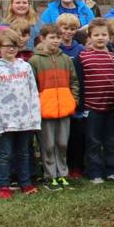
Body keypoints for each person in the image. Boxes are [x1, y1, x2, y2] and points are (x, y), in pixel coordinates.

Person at [0, 29, 41, 199]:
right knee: (5, 154)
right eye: (7, 46)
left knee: (24, 152)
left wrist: (35, 117)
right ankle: (4, 185)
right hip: (6, 121)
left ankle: (26, 183)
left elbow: (33, 92)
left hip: (25, 120)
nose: (11, 49)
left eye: (14, 46)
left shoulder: (25, 66)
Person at [31, 24, 79, 190]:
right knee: (48, 144)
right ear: (42, 39)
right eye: (52, 37)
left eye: (58, 38)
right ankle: (50, 176)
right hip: (45, 110)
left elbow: (74, 81)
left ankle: (62, 174)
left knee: (62, 142)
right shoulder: (35, 60)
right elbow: (32, 86)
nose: (55, 41)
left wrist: (73, 100)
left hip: (64, 108)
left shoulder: (65, 59)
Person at [78, 19, 114, 184]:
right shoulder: (83, 57)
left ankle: (112, 170)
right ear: (90, 37)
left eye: (104, 34)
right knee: (93, 142)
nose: (100, 38)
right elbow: (80, 82)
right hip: (92, 107)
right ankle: (95, 172)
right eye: (96, 35)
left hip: (112, 106)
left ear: (109, 37)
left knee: (111, 141)